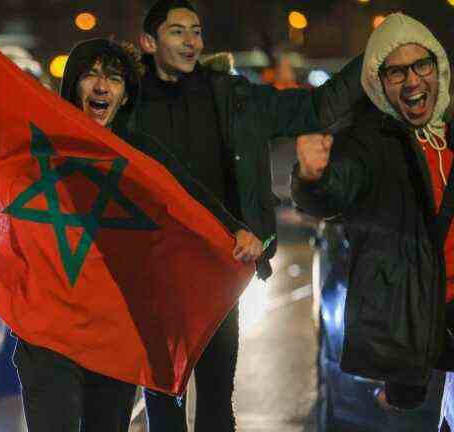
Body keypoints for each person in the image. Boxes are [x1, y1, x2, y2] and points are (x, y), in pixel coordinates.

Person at [0, 3, 266, 430]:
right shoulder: (36, 144)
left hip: (115, 336)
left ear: (126, 95)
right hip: (47, 335)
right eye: (92, 75)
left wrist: (235, 231)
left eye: (113, 79)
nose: (102, 85)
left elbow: (188, 197)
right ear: (74, 85)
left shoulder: (139, 157)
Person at [132, 0, 364, 430]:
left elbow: (312, 109)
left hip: (221, 265)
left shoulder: (233, 97)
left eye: (196, 31)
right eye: (177, 31)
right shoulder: (127, 103)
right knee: (163, 403)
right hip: (154, 275)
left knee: (218, 402)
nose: (190, 41)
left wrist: (375, 59)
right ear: (149, 41)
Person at [292, 13, 453, 413]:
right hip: (416, 337)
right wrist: (313, 178)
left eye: (422, 66)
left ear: (440, 69)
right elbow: (336, 189)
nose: (413, 81)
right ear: (378, 85)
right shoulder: (371, 144)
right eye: (397, 73)